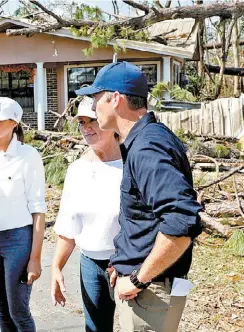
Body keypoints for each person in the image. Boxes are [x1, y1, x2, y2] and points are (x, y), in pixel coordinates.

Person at [76, 61, 203, 332]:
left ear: (116, 99)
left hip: (150, 293)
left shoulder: (148, 147)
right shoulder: (145, 139)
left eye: (97, 98)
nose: (93, 106)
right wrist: (123, 261)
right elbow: (145, 218)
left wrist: (137, 278)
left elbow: (182, 223)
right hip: (148, 289)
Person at [0, 97, 47, 332]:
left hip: (17, 241)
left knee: (18, 311)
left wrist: (35, 258)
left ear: (14, 123)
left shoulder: (29, 156)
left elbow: (38, 211)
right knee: (2, 310)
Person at [50, 97, 122, 332]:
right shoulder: (77, 170)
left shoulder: (132, 163)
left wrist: (129, 262)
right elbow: (68, 225)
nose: (86, 128)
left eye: (93, 120)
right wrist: (56, 268)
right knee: (95, 328)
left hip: (128, 263)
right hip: (90, 264)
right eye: (81, 122)